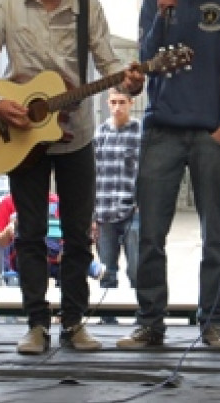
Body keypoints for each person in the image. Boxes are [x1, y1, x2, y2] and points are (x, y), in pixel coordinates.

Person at [0, 0, 143, 354]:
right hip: (21, 137)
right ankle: (36, 325)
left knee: (80, 234)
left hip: (76, 135)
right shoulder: (6, 6)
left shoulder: (87, 7)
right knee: (30, 234)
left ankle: (75, 322)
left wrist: (129, 81)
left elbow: (108, 65)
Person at [117, 0, 220, 349]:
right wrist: (160, 15)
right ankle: (150, 323)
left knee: (215, 232)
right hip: (162, 130)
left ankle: (212, 320)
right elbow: (146, 60)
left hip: (210, 133)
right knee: (151, 233)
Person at [92, 87, 141, 325]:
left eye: (122, 102)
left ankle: (140, 318)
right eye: (113, 102)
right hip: (103, 211)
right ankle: (107, 319)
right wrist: (90, 216)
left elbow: (149, 171)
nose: (117, 107)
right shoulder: (100, 134)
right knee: (106, 270)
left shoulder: (140, 133)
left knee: (137, 269)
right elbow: (90, 175)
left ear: (131, 103)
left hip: (132, 210)